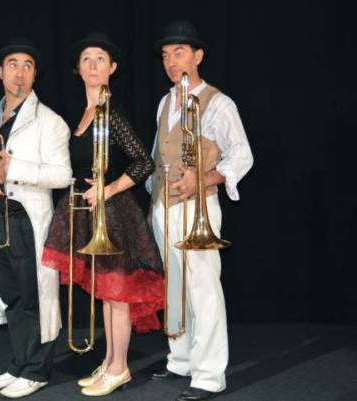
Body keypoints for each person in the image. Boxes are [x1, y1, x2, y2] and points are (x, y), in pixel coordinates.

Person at [41, 32, 164, 397]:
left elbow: (143, 162)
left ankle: (120, 367)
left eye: (100, 59)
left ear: (112, 68)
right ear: (78, 70)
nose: (93, 65)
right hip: (86, 212)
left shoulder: (113, 114)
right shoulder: (83, 115)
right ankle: (110, 361)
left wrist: (108, 190)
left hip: (111, 212)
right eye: (86, 59)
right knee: (105, 293)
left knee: (116, 293)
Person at [148, 21, 254, 401]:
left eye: (179, 53)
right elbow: (159, 154)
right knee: (175, 286)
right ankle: (181, 359)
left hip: (199, 207)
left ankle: (209, 376)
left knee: (204, 290)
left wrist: (205, 178)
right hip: (165, 208)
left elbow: (242, 155)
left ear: (198, 56)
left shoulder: (219, 103)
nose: (171, 62)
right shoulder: (165, 102)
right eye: (166, 55)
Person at [0, 37, 72, 399]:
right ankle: (19, 363)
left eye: (28, 66)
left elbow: (63, 176)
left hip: (25, 218)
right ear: (0, 73)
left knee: (33, 298)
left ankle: (36, 370)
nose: (20, 72)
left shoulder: (51, 122)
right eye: (13, 65)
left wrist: (16, 168)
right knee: (11, 297)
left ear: (34, 75)